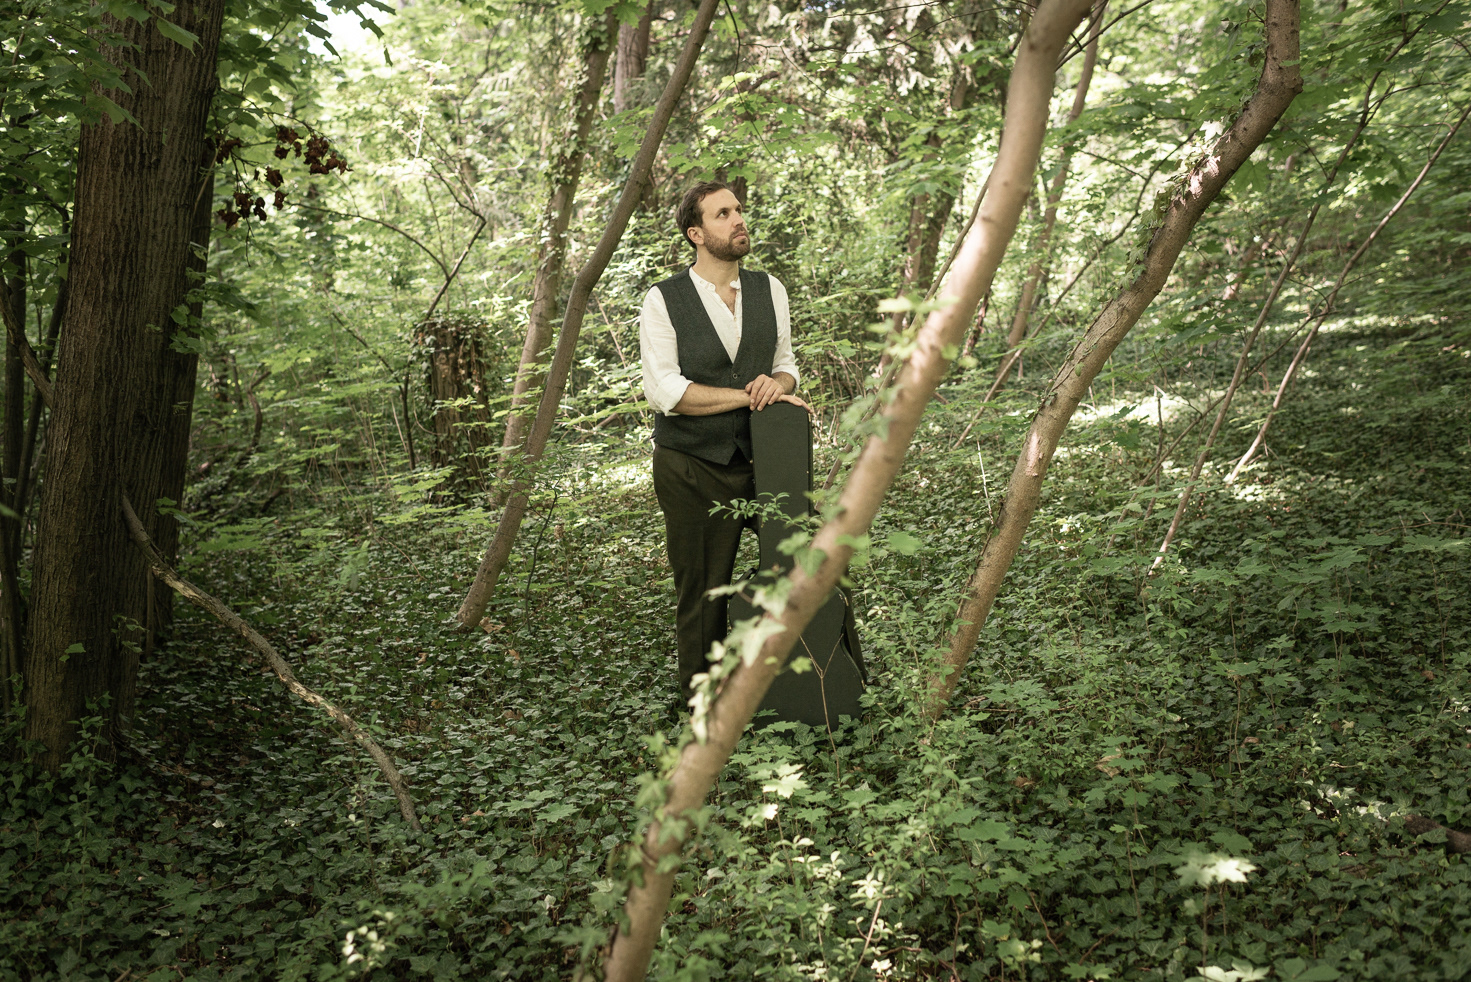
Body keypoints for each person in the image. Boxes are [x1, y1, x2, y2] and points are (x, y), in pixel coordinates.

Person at [639, 181, 809, 707]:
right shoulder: (663, 299)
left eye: (738, 209)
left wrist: (777, 385)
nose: (738, 219)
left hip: (765, 460)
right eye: (722, 214)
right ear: (696, 234)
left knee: (806, 561)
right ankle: (702, 707)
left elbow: (786, 366)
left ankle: (808, 686)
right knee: (703, 592)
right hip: (691, 465)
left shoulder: (770, 289)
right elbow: (667, 392)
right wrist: (747, 395)